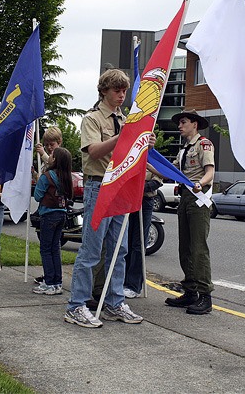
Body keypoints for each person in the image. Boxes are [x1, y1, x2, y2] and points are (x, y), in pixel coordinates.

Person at [65, 68, 152, 328]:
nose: (122, 95)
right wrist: (122, 137)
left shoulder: (124, 119)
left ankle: (114, 302)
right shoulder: (92, 119)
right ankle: (76, 305)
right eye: (117, 90)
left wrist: (142, 142)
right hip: (98, 186)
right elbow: (93, 152)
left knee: (119, 249)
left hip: (120, 187)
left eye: (124, 91)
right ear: (104, 91)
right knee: (92, 249)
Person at [165, 109, 216, 315]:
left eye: (183, 122)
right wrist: (147, 161)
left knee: (198, 248)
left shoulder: (204, 144)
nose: (179, 126)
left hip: (198, 197)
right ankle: (190, 290)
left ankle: (205, 295)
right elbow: (170, 171)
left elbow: (210, 172)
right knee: (184, 247)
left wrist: (199, 183)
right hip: (185, 198)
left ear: (194, 124)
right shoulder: (184, 149)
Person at [33, 147, 73, 295]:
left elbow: (37, 196)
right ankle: (57, 282)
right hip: (62, 214)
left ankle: (49, 282)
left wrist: (39, 181)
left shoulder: (47, 176)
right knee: (55, 248)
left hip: (48, 214)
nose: (49, 156)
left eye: (51, 154)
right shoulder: (66, 177)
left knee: (46, 249)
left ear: (55, 159)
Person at [124, 169, 163, 298]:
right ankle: (123, 281)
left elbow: (158, 181)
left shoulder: (152, 159)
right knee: (126, 242)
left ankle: (133, 285)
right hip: (130, 199)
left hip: (145, 200)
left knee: (138, 244)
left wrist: (139, 187)